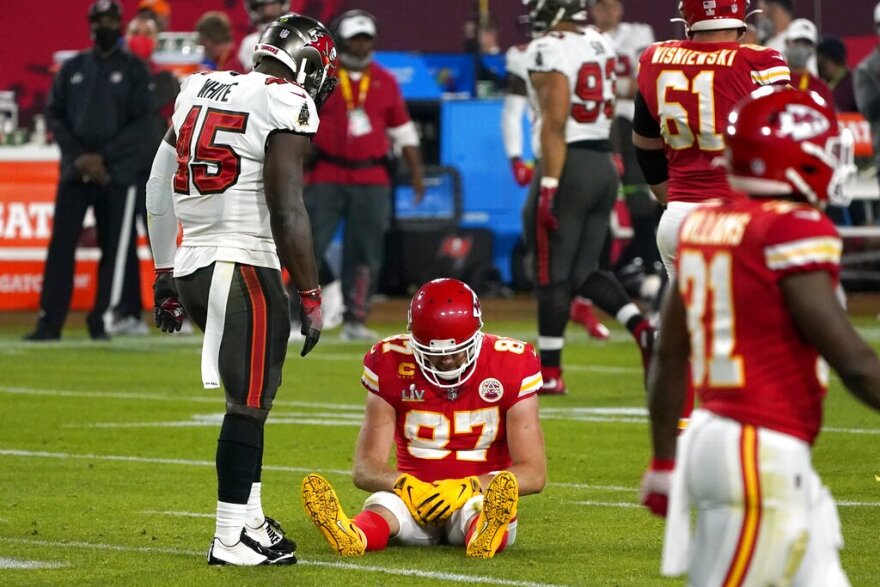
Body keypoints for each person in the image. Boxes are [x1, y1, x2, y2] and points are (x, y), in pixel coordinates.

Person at [640, 86, 877, 585]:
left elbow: (668, 353)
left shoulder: (704, 225)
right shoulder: (792, 228)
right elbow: (851, 359)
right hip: (756, 449)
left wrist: (664, 459)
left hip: (724, 437)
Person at [146, 13, 338, 565]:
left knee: (256, 391)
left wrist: (163, 272)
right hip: (242, 262)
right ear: (306, 64)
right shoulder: (286, 100)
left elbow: (159, 184)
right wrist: (310, 291)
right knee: (249, 402)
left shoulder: (197, 86)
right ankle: (230, 535)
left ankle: (250, 521)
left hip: (193, 263)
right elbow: (287, 205)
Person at [301, 278, 546, 559]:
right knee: (385, 503)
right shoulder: (390, 361)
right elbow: (365, 467)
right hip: (415, 499)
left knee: (479, 507)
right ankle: (354, 534)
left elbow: (534, 473)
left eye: (455, 351)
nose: (446, 361)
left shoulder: (511, 363)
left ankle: (485, 530)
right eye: (434, 353)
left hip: (477, 495)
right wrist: (405, 485)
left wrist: (470, 485)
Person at [519, 0, 655, 394]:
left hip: (569, 164)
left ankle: (550, 372)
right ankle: (642, 327)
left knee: (550, 272)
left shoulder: (549, 46)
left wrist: (548, 187)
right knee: (583, 272)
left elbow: (555, 120)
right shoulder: (600, 41)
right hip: (602, 161)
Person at [24, 0, 152, 342]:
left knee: (115, 250)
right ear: (89, 25)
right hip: (75, 173)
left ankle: (103, 320)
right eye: (98, 20)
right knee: (61, 247)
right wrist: (79, 157)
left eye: (110, 19)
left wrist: (103, 158)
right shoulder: (73, 68)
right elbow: (55, 115)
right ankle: (49, 323)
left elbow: (142, 124)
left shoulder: (135, 70)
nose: (104, 26)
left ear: (120, 23)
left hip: (117, 176)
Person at [306, 9, 425, 342]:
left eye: (365, 39)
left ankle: (355, 319)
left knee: (366, 252)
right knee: (307, 246)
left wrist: (417, 174)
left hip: (371, 177)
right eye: (354, 40)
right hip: (326, 173)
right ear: (341, 41)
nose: (360, 46)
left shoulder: (385, 80)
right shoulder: (322, 77)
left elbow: (404, 132)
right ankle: (300, 317)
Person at [501, 37, 611, 341]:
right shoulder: (593, 43)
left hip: (573, 154)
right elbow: (514, 109)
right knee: (552, 247)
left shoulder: (586, 44)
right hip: (573, 155)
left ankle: (578, 317)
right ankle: (630, 321)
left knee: (568, 250)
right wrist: (515, 156)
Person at [108, 13, 182, 336]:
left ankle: (184, 308)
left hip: (162, 173)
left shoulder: (166, 80)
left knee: (171, 245)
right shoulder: (115, 77)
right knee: (121, 245)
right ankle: (126, 313)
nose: (140, 37)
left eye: (147, 32)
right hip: (126, 172)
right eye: (135, 31)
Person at [588, 0, 664, 309]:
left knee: (641, 197)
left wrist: (606, 86)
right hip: (598, 128)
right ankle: (607, 270)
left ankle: (648, 265)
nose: (607, 11)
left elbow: (641, 83)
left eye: (611, 4)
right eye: (601, 5)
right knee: (601, 202)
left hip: (631, 124)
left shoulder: (637, 34)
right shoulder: (586, 38)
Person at [785, 19, 835, 107]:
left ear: (813, 49)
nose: (801, 48)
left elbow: (829, 119)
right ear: (786, 43)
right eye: (797, 42)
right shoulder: (772, 80)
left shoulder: (821, 88)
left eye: (806, 44)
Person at [238, 0, 290, 72]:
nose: (269, 10)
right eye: (263, 6)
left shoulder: (293, 37)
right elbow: (251, 73)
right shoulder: (249, 42)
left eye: (273, 5)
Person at [817, 36, 858, 113]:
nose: (822, 66)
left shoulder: (853, 83)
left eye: (825, 61)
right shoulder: (820, 84)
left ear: (837, 59)